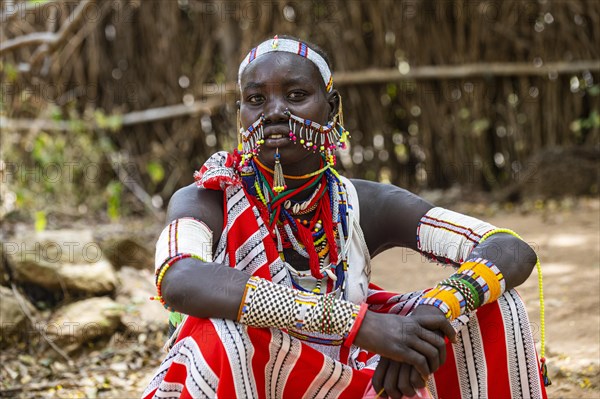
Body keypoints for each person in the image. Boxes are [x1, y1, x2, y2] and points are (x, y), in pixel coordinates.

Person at [143, 35, 549, 399]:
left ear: (331, 107)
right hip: (247, 378)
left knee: (495, 305)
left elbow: (509, 247)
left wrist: (435, 314)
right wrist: (361, 325)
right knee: (224, 334)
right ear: (240, 115)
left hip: (347, 376)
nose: (275, 112)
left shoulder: (361, 203)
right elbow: (178, 278)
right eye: (256, 100)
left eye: (297, 94)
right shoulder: (207, 196)